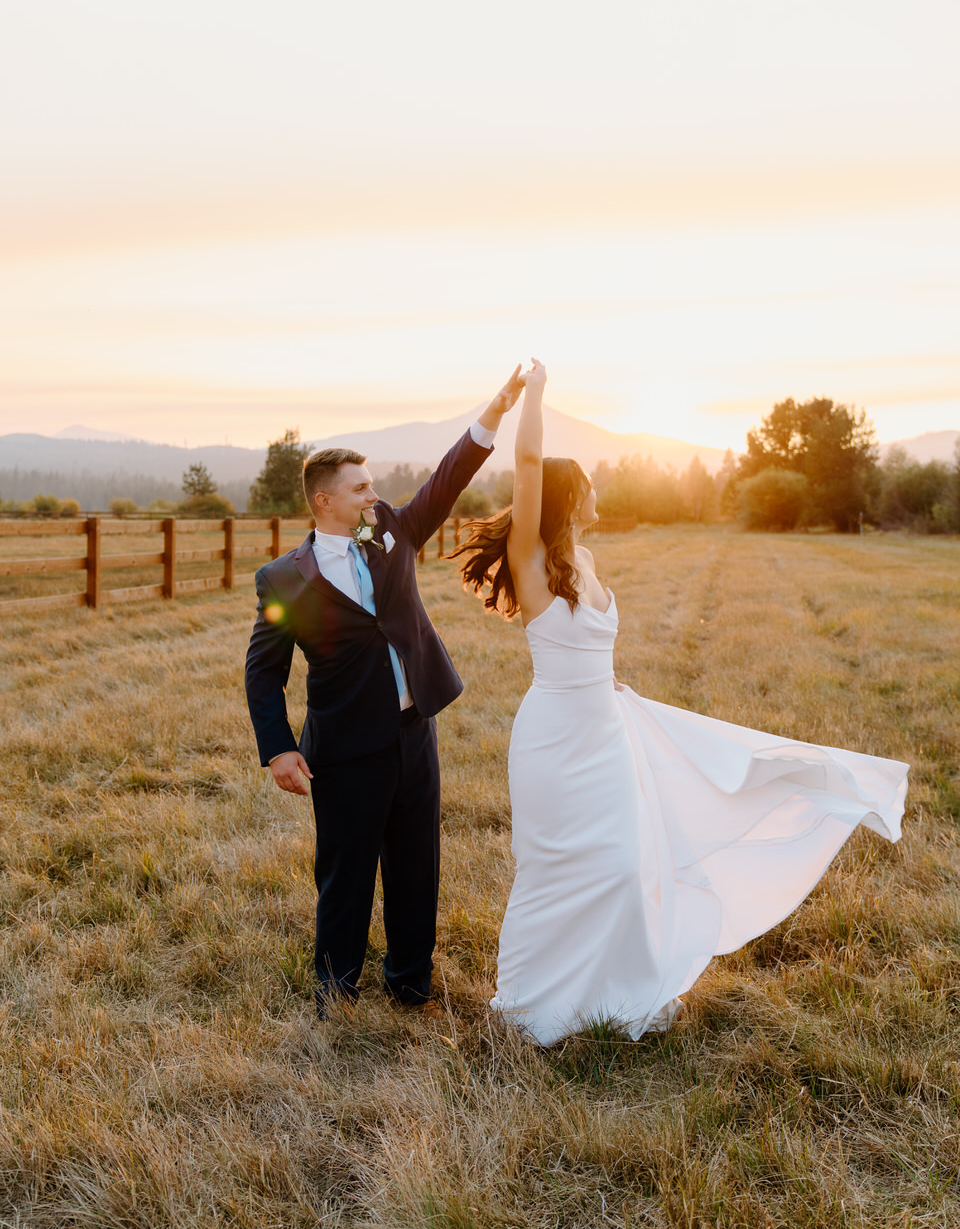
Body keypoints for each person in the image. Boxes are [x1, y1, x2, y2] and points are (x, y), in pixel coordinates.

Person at [451, 360, 909, 1046]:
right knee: (553, 869)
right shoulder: (533, 564)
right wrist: (535, 394)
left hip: (604, 729)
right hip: (553, 739)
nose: (599, 491)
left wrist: (608, 683)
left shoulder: (586, 563)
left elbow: (589, 648)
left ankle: (608, 995)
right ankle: (528, 1005)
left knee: (621, 864)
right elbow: (525, 461)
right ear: (567, 497)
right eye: (590, 485)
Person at [245, 367, 523, 1016]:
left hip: (413, 732)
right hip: (344, 747)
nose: (376, 494)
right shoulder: (284, 579)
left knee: (415, 865)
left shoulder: (391, 533)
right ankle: (336, 991)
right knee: (345, 874)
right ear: (324, 501)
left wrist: (496, 411)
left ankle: (410, 983)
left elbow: (446, 482)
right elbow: (264, 671)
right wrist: (278, 748)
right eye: (362, 487)